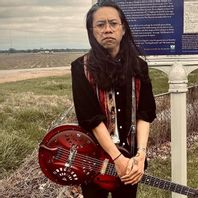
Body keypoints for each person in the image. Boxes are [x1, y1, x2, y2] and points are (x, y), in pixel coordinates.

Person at [70, 1, 156, 197]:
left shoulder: (139, 66)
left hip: (131, 158)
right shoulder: (80, 68)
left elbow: (145, 114)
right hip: (93, 158)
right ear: (92, 31)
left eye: (113, 23)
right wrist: (117, 158)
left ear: (123, 28)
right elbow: (91, 118)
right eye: (100, 25)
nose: (107, 30)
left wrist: (140, 156)